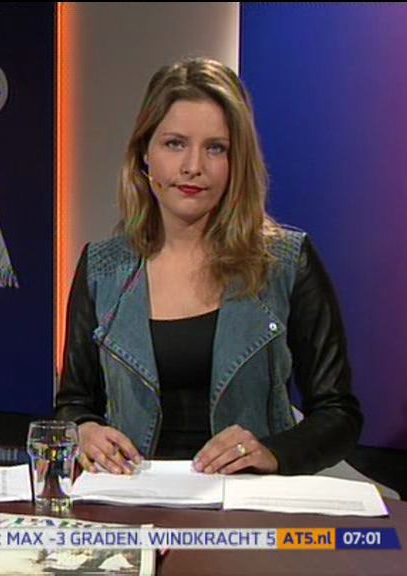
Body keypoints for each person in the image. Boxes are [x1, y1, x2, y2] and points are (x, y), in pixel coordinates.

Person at [55, 57, 362, 476]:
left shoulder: (286, 262)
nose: (193, 167)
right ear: (144, 154)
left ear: (237, 162)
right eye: (174, 144)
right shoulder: (102, 268)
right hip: (132, 497)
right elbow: (73, 404)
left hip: (248, 501)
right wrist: (85, 432)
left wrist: (273, 452)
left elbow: (338, 413)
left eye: (216, 148)